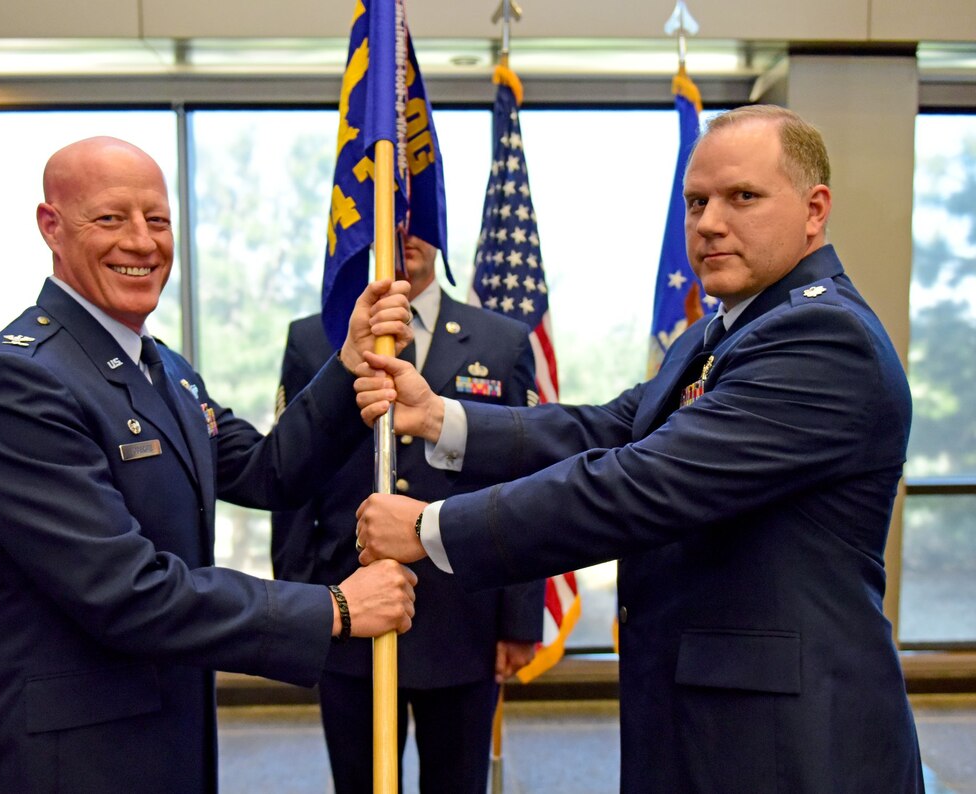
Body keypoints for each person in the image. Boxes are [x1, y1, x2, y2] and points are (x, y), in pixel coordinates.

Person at [353, 105, 925, 792]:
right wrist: (443, 416)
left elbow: (637, 483)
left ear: (814, 208)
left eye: (743, 196)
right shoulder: (723, 331)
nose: (710, 221)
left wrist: (429, 528)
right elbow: (611, 428)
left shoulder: (822, 341)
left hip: (784, 746)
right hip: (705, 720)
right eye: (696, 201)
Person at [0, 136, 418, 794]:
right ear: (51, 226)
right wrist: (332, 608)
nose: (141, 242)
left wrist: (348, 364)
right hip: (70, 759)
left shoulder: (163, 367)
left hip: (168, 733)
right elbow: (125, 590)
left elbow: (264, 470)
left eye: (157, 220)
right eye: (110, 219)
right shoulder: (16, 381)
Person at [271, 233, 544, 793]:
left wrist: (519, 619)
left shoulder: (502, 341)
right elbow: (291, 477)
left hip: (465, 616)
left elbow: (526, 478)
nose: (404, 235)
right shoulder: (312, 339)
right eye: (392, 218)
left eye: (419, 220)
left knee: (458, 784)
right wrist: (298, 605)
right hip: (348, 610)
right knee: (360, 784)